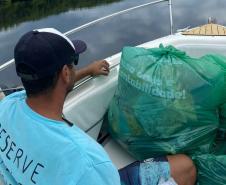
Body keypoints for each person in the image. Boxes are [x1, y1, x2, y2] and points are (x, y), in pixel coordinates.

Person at [0, 28, 196, 185]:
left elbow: (50, 81)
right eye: (74, 62)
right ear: (65, 73)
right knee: (185, 167)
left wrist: (87, 71)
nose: (75, 67)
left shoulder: (7, 106)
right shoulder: (86, 160)